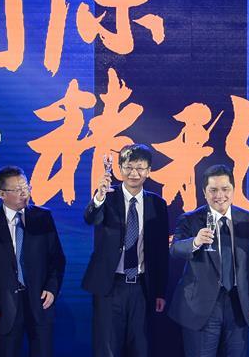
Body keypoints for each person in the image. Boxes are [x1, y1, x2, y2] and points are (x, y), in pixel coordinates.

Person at [82, 143, 169, 357]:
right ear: (120, 169)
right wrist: (99, 197)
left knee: (140, 346)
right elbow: (90, 218)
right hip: (110, 285)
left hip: (142, 287)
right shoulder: (107, 197)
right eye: (129, 167)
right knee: (107, 348)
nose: (134, 173)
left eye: (140, 167)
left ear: (149, 171)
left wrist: (159, 291)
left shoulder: (157, 204)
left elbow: (160, 253)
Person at [169, 164, 249, 356]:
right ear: (204, 192)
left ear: (234, 190)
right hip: (201, 306)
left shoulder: (248, 219)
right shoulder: (190, 219)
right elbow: (175, 249)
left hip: (238, 303)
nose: (219, 195)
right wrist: (195, 242)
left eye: (225, 189)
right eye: (213, 190)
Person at [0, 166, 65, 357]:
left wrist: (51, 287)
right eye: (18, 190)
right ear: (1, 193)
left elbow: (57, 259)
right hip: (5, 305)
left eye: (26, 187)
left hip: (40, 301)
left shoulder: (43, 217)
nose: (25, 193)